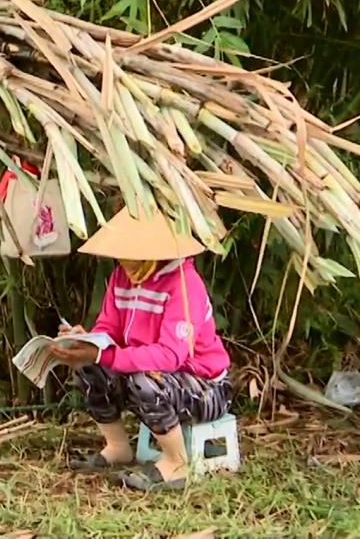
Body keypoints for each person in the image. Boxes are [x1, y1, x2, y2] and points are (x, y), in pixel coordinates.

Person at [51, 207, 232, 492]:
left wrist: (104, 354)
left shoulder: (185, 286)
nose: (126, 261)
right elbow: (108, 329)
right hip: (151, 376)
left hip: (205, 388)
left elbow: (170, 357)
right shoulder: (121, 278)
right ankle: (117, 447)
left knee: (147, 378)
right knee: (88, 367)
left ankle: (177, 463)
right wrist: (87, 341)